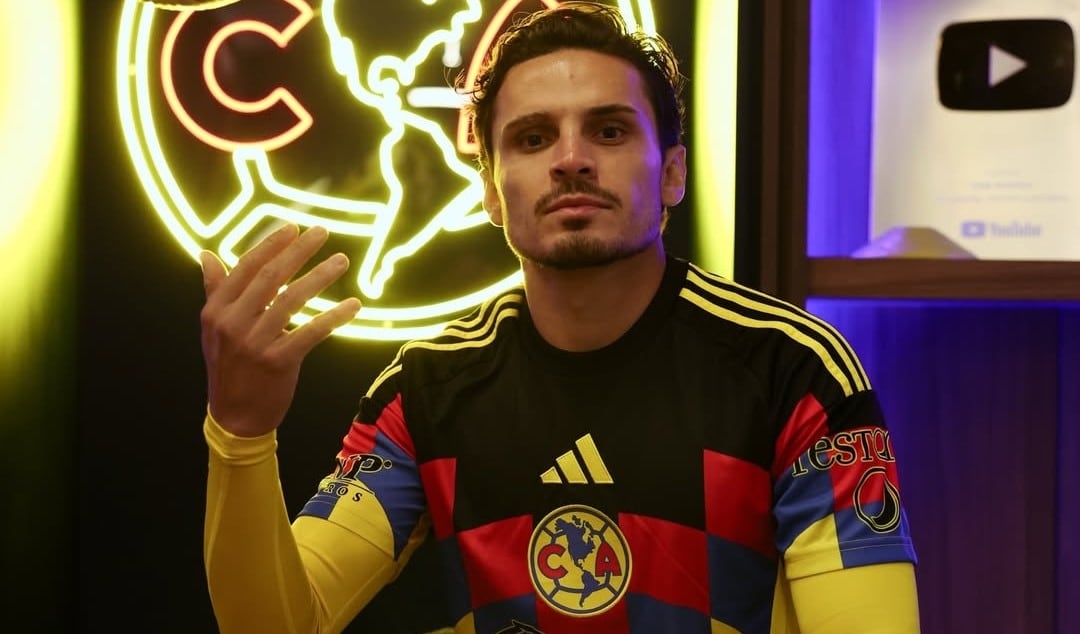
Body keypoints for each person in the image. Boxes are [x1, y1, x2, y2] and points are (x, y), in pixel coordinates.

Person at [197, 3, 921, 633]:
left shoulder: (791, 368)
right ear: (490, 191)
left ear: (672, 173)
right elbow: (276, 624)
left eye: (608, 131)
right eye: (533, 138)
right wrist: (241, 431)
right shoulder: (425, 388)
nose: (571, 160)